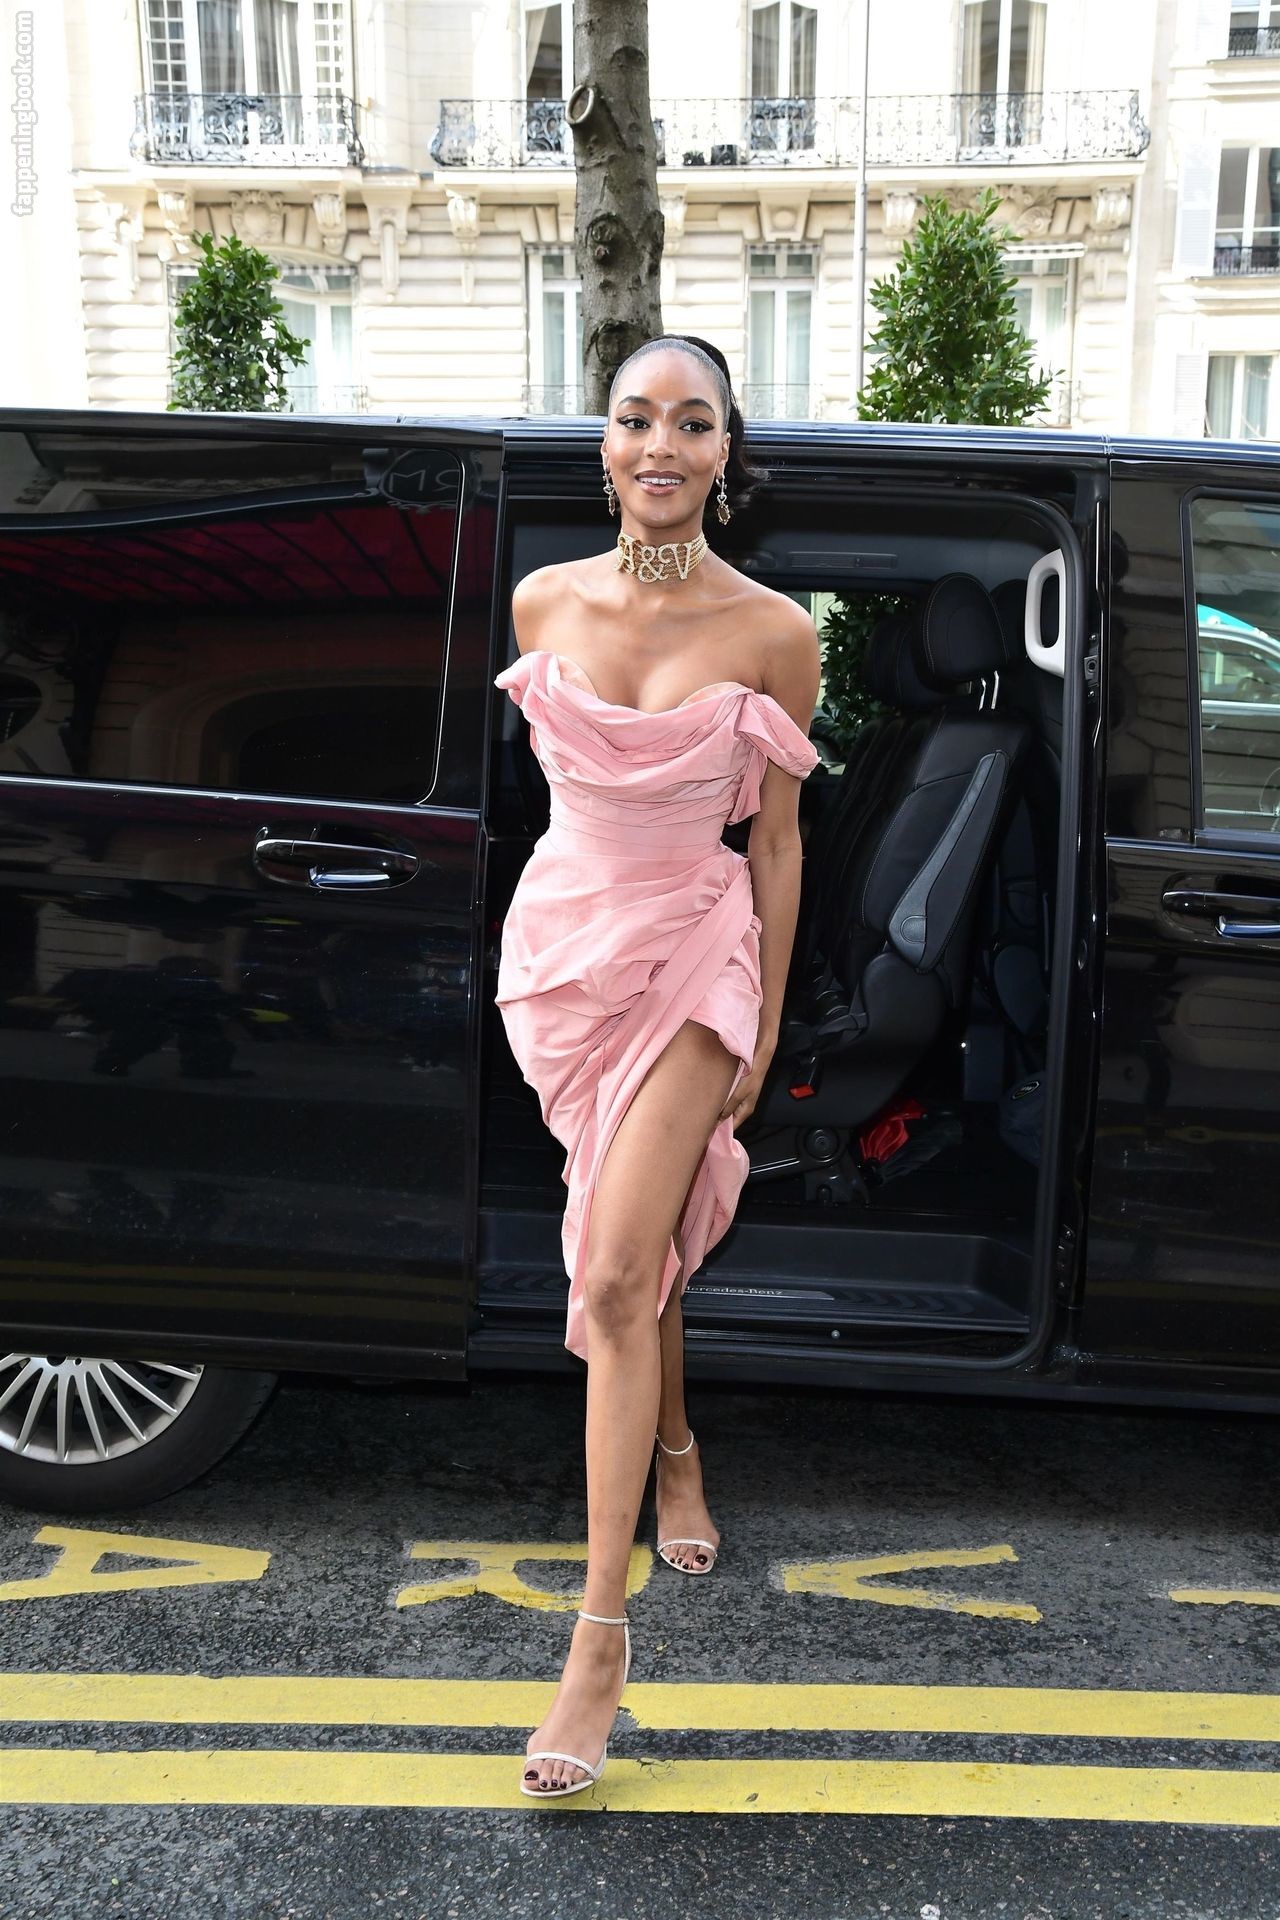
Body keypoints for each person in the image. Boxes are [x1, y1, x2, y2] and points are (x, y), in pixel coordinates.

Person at [493, 334, 821, 1799]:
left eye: (693, 422)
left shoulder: (775, 632)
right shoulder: (542, 600)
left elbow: (780, 843)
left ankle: (597, 1646)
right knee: (638, 1241)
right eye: (637, 418)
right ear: (606, 444)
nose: (662, 445)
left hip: (697, 950)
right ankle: (677, 1444)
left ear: (725, 450)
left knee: (617, 1271)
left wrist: (767, 1017)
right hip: (568, 958)